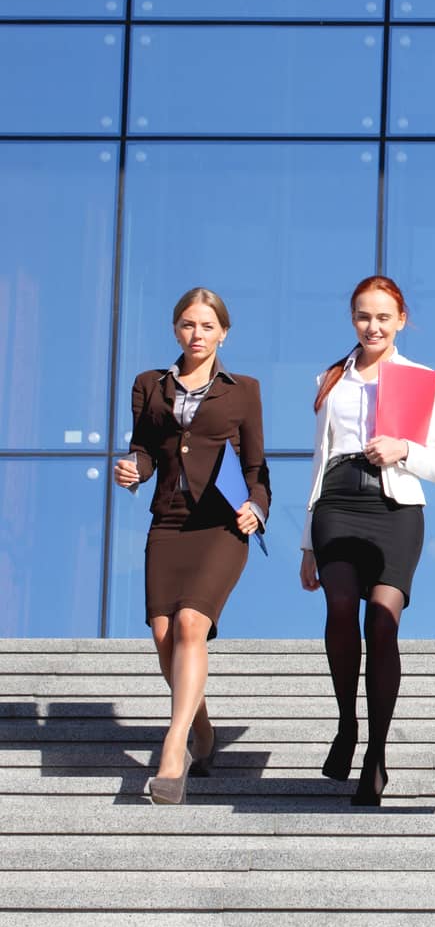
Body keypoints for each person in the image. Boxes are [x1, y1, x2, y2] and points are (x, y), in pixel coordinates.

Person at [113, 288, 269, 805]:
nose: (196, 335)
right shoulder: (148, 386)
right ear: (176, 330)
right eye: (187, 325)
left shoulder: (243, 389)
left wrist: (258, 506)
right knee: (163, 636)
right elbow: (147, 449)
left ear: (223, 332)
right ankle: (203, 728)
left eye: (206, 326)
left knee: (189, 625)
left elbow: (255, 467)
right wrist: (134, 470)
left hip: (222, 526)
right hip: (169, 523)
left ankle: (174, 746)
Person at [298, 276, 435, 807]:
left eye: (384, 317)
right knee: (340, 609)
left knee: (381, 625)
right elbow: (319, 459)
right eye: (364, 316)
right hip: (336, 505)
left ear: (401, 320)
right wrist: (306, 543)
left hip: (396, 510)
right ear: (353, 319)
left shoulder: (421, 379)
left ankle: (377, 753)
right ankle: (346, 725)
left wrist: (402, 449)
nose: (373, 326)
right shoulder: (331, 378)